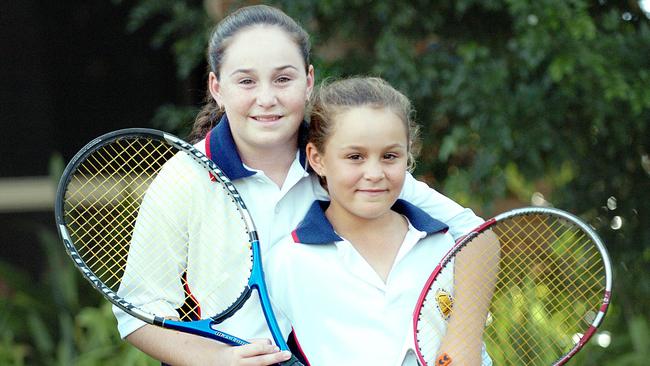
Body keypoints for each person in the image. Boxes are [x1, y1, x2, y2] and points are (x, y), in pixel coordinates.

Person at [114, 5, 484, 366]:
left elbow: (476, 237)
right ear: (217, 87)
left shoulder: (350, 164)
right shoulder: (185, 178)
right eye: (246, 81)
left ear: (308, 81)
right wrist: (219, 359)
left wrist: (461, 344)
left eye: (283, 78)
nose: (267, 98)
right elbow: (138, 315)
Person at [264, 76, 492, 365]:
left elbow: (470, 351)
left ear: (408, 155)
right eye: (355, 156)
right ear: (317, 158)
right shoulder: (286, 262)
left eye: (389, 156)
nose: (374, 173)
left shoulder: (444, 245)